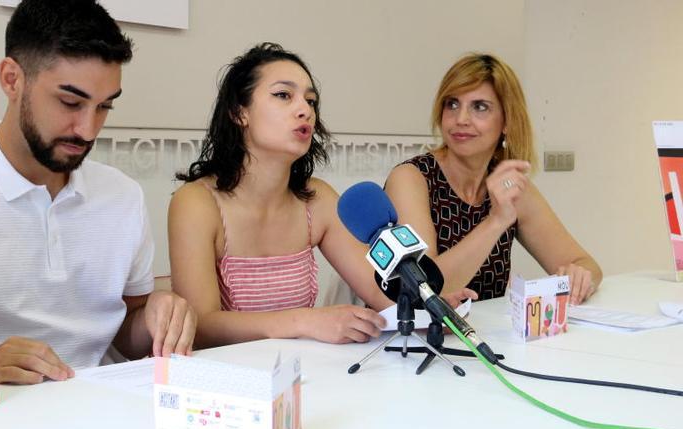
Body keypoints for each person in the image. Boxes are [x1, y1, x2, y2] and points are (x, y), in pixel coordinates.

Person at [169, 43, 472, 348]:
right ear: (239, 112)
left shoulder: (318, 200)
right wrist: (305, 320)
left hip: (299, 377)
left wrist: (427, 307)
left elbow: (380, 294)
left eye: (310, 100)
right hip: (225, 383)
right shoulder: (196, 202)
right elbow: (201, 325)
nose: (305, 110)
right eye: (283, 95)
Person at [0, 0, 196, 385]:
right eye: (70, 102)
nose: (88, 130)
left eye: (104, 106)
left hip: (104, 410)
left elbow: (126, 329)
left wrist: (156, 317)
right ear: (11, 79)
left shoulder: (123, 196)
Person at [384, 53, 602, 303]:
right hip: (412, 337)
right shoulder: (411, 179)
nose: (461, 119)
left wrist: (580, 277)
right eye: (452, 104)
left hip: (484, 336)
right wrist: (496, 221)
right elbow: (424, 286)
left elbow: (586, 264)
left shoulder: (508, 184)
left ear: (507, 121)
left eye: (479, 107)